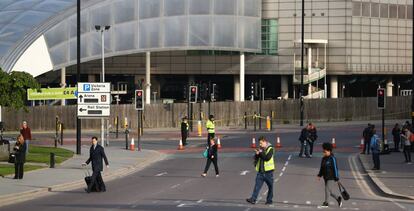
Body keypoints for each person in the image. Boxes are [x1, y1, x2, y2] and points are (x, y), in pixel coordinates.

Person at [246, 136, 275, 205]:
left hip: (268, 172)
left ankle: (269, 200)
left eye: (261, 143)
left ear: (265, 142)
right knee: (257, 186)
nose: (260, 145)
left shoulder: (271, 149)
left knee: (270, 187)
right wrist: (256, 155)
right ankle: (253, 199)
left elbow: (267, 158)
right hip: (260, 172)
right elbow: (256, 158)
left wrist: (260, 153)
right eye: (259, 143)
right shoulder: (260, 149)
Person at [317, 142, 342, 208]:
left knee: (326, 189)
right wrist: (319, 175)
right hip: (325, 177)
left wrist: (336, 177)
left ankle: (326, 203)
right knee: (329, 191)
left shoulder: (332, 159)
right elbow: (322, 168)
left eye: (325, 152)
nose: (324, 153)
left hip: (331, 177)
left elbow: (335, 168)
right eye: (323, 151)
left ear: (329, 151)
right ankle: (338, 198)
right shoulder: (323, 158)